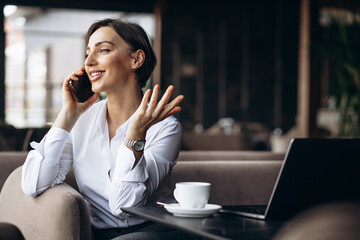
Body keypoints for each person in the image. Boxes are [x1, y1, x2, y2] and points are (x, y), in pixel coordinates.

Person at [21, 18, 194, 240]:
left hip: (155, 231)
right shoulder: (82, 120)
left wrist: (135, 135)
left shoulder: (165, 127)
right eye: (87, 54)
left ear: (136, 59)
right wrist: (67, 115)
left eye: (102, 50)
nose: (89, 62)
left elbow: (124, 205)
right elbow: (32, 184)